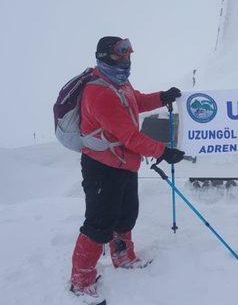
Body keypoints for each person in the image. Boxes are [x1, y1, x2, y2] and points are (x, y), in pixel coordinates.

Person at [69, 36, 185, 303]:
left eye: (128, 54)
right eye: (120, 54)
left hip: (123, 162)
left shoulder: (119, 82)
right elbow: (130, 136)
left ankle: (122, 256)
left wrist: (161, 97)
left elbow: (136, 101)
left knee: (126, 214)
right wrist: (164, 152)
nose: (126, 59)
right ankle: (80, 281)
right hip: (102, 166)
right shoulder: (99, 92)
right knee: (99, 223)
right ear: (104, 56)